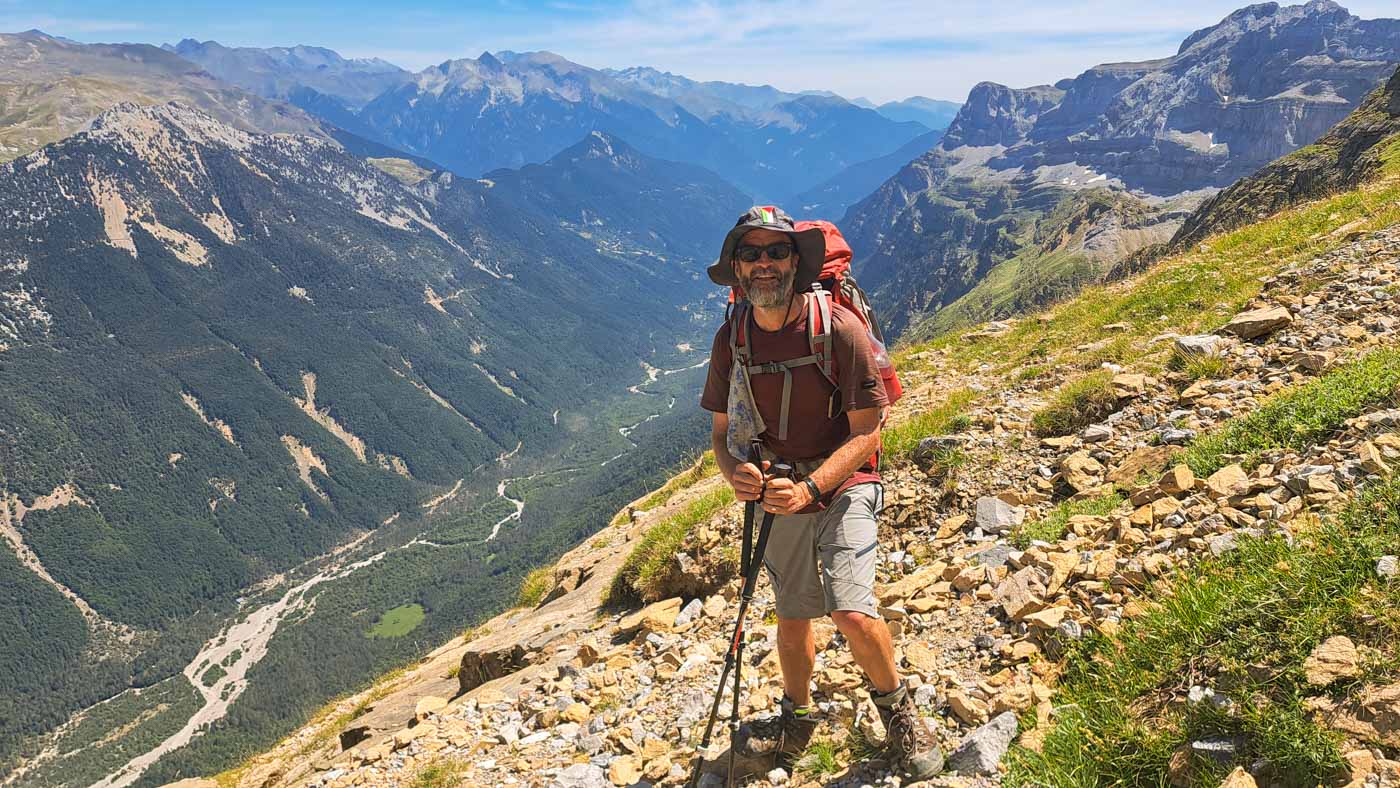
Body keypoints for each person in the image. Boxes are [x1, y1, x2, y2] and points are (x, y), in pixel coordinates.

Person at [699, 206, 943, 778]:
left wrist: (810, 487)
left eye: (776, 252)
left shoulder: (838, 329)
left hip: (845, 481)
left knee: (851, 611)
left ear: (796, 263)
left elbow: (868, 432)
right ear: (737, 268)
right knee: (792, 616)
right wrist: (735, 473)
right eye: (751, 253)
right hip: (780, 485)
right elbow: (721, 436)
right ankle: (798, 717)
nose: (764, 263)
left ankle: (900, 713)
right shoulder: (732, 339)